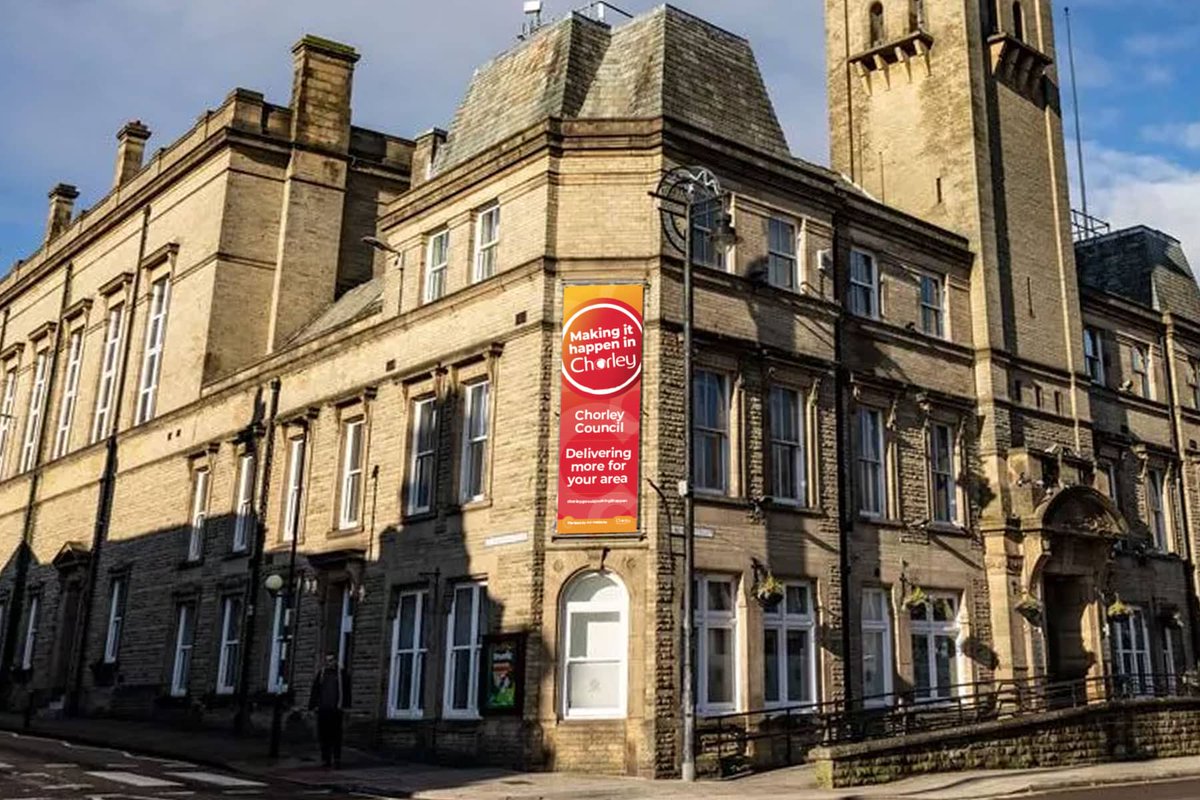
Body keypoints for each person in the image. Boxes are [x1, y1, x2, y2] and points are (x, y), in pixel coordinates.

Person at [308, 652, 351, 768]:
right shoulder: (322, 674)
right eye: (327, 661)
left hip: (336, 709)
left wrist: (346, 707)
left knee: (336, 735)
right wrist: (312, 706)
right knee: (323, 735)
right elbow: (315, 690)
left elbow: (346, 691)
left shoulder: (341, 674)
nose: (329, 663)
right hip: (323, 709)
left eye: (331, 660)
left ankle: (337, 759)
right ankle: (325, 759)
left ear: (335, 661)